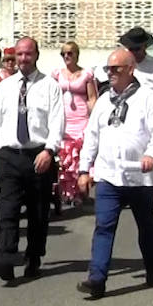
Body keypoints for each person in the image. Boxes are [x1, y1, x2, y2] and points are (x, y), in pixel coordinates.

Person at [75, 47, 153, 299]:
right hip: (108, 176)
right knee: (104, 226)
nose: (111, 73)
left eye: (116, 68)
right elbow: (91, 137)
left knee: (146, 225)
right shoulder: (104, 101)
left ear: (130, 69)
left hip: (139, 177)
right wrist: (84, 170)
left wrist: (151, 153)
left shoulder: (148, 98)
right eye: (108, 69)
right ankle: (97, 279)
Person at [0, 37, 66, 283]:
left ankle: (34, 257)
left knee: (38, 213)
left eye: (28, 54)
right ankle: (5, 257)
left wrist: (49, 151)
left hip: (37, 156)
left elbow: (57, 123)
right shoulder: (6, 87)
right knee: (7, 210)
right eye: (19, 55)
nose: (23, 59)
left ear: (36, 56)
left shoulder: (49, 86)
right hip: (9, 156)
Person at [53, 41, 98, 209]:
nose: (66, 56)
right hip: (63, 120)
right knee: (65, 158)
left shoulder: (86, 74)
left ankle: (81, 192)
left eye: (70, 53)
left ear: (77, 54)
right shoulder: (57, 74)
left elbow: (92, 98)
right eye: (63, 53)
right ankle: (67, 192)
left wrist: (95, 119)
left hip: (81, 119)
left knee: (81, 156)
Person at [119, 27, 153, 104]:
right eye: (131, 49)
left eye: (137, 49)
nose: (134, 53)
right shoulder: (123, 65)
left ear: (144, 47)